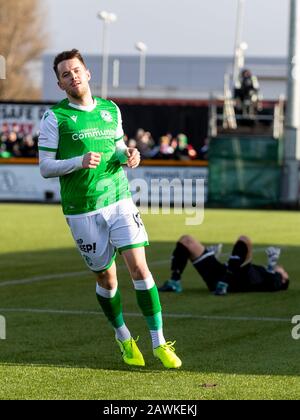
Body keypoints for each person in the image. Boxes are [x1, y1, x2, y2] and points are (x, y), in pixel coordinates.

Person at [38, 49, 181, 369]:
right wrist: (77, 162)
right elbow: (45, 167)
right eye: (65, 74)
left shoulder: (109, 109)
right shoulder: (55, 118)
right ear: (60, 84)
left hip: (118, 198)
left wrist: (130, 155)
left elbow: (117, 149)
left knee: (140, 269)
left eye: (76, 70)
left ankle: (159, 342)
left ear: (87, 74)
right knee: (107, 278)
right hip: (82, 208)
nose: (72, 76)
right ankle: (124, 337)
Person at [159, 235, 289, 294]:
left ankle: (224, 283)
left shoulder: (274, 280)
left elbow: (275, 283)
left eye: (284, 272)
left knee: (244, 240)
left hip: (240, 279)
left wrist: (273, 267)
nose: (282, 268)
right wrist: (271, 265)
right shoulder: (266, 271)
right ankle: (175, 282)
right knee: (186, 240)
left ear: (284, 279)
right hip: (221, 275)